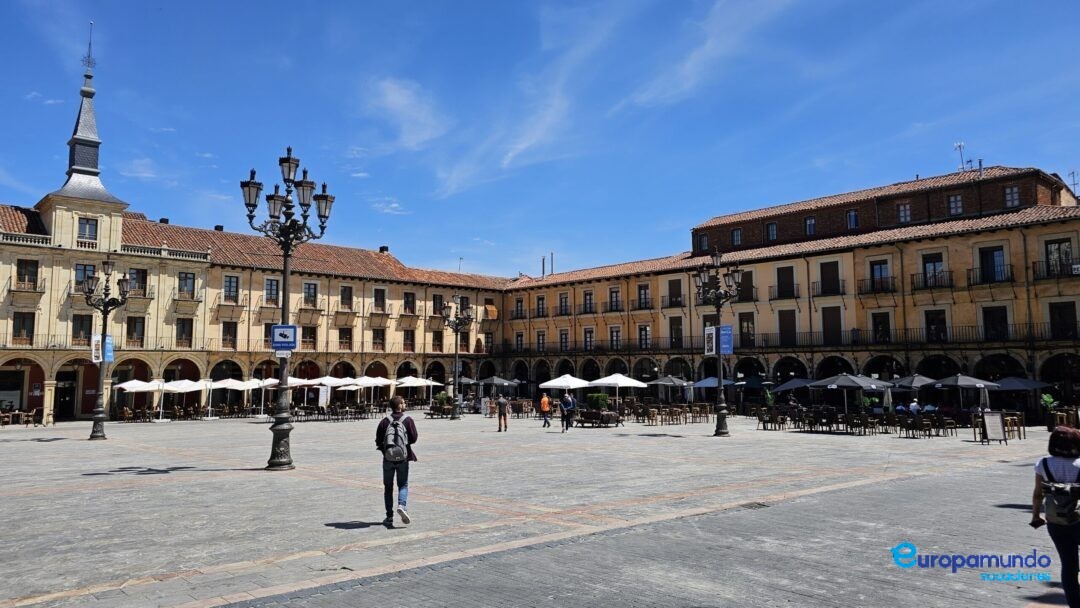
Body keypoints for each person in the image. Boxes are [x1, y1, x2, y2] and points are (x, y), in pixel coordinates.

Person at [1032, 426, 1080, 607]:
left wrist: (1036, 516)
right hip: (1078, 519)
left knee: (1069, 565)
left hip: (1055, 521)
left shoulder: (1043, 464)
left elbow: (1038, 494)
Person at [375, 396, 418, 526]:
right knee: (403, 484)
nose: (405, 404)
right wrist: (403, 445)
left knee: (388, 487)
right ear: (399, 405)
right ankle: (402, 506)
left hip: (388, 458)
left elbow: (378, 441)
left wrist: (387, 451)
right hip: (403, 459)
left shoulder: (384, 421)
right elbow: (414, 438)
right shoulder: (408, 420)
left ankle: (389, 516)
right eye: (404, 402)